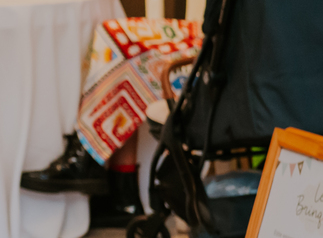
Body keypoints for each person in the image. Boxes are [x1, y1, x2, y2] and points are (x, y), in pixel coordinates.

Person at [21, 17, 202, 227]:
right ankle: (121, 193)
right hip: (211, 30)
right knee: (113, 37)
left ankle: (87, 156)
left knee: (127, 57)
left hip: (217, 46)